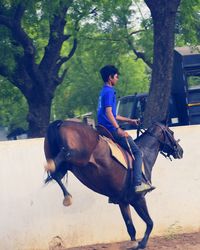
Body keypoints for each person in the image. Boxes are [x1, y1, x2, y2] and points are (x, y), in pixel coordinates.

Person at [97, 65, 155, 194]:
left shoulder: (103, 91)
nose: (117, 79)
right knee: (138, 153)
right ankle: (138, 184)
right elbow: (108, 113)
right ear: (110, 77)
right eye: (116, 76)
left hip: (103, 127)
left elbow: (113, 114)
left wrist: (130, 120)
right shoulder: (110, 91)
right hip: (111, 129)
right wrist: (118, 129)